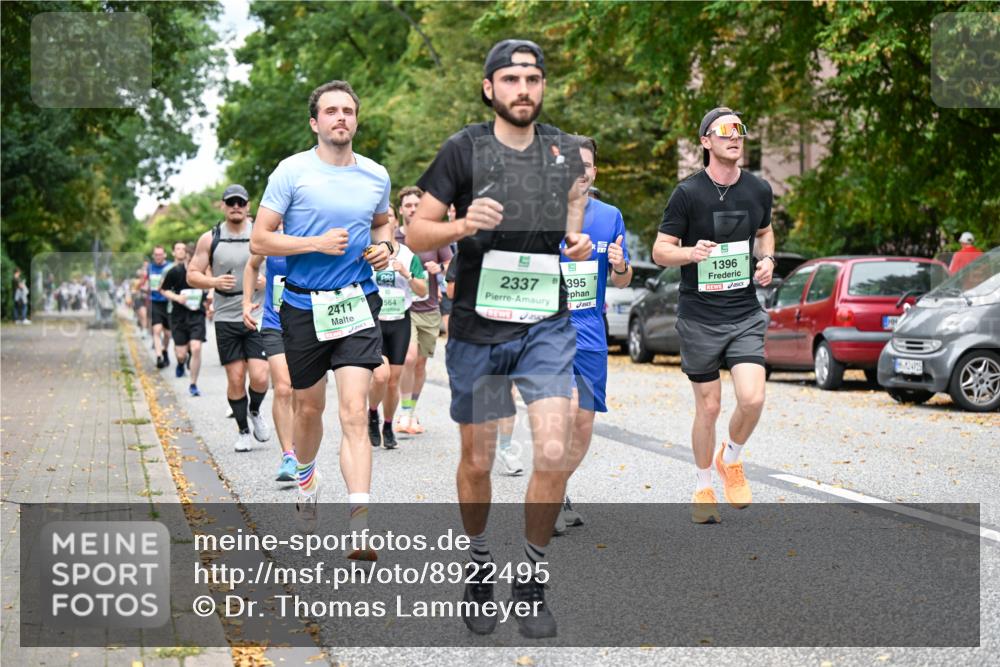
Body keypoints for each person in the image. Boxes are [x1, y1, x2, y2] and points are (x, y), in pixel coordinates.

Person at [406, 39, 590, 639]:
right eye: (510, 79)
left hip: (545, 325)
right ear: (490, 88)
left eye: (533, 79)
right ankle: (480, 564)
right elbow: (414, 232)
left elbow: (570, 225)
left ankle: (532, 581)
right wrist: (462, 224)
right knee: (478, 459)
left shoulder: (564, 151)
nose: (523, 90)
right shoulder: (464, 149)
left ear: (543, 87)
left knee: (555, 451)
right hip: (480, 332)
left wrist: (578, 242)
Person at [249, 80, 393, 554]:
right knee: (309, 408)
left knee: (354, 410)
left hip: (356, 301)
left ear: (356, 119)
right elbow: (260, 240)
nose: (340, 118)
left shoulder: (375, 175)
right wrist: (313, 243)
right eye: (330, 111)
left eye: (348, 111)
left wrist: (386, 247)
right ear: (315, 122)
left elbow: (383, 220)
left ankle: (361, 525)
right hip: (303, 305)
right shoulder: (291, 172)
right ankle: (307, 480)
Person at [651, 107, 775, 524]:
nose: (734, 136)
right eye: (724, 131)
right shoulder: (687, 193)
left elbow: (763, 232)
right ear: (706, 141)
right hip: (700, 315)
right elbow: (660, 250)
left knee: (753, 397)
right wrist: (690, 253)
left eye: (740, 129)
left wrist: (768, 259)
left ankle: (731, 458)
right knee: (708, 408)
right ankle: (704, 485)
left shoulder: (758, 189)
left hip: (743, 311)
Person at [555, 135, 633, 533]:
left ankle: (556, 488)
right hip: (549, 329)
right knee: (564, 411)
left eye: (585, 165)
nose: (579, 171)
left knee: (583, 423)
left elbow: (623, 281)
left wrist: (619, 265)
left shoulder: (610, 216)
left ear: (594, 171)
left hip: (591, 331)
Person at [188, 184, 273, 453]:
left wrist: (266, 282)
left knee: (260, 376)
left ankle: (255, 410)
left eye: (241, 202)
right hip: (226, 316)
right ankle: (243, 431)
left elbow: (284, 270)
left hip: (257, 314)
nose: (236, 207)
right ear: (223, 206)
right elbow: (192, 274)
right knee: (236, 378)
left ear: (248, 206)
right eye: (231, 202)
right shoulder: (210, 238)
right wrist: (213, 281)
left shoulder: (262, 235)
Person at [368, 203, 428, 449]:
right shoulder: (368, 252)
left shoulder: (408, 255)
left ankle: (387, 424)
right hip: (375, 321)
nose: (386, 220)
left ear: (393, 222)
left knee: (393, 380)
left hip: (400, 321)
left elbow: (423, 290)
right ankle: (372, 414)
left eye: (390, 216)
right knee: (380, 376)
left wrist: (406, 273)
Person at [243, 229, 299, 484]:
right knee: (284, 388)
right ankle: (288, 455)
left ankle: (301, 448)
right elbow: (251, 265)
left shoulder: (313, 233)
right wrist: (247, 302)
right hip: (274, 323)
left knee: (304, 393)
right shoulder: (271, 238)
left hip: (307, 323)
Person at [397, 186, 453, 436]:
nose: (412, 209)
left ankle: (411, 409)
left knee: (420, 364)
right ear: (401, 209)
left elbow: (450, 265)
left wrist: (438, 269)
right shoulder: (393, 238)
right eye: (408, 205)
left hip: (429, 307)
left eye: (416, 205)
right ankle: (403, 411)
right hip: (402, 308)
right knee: (408, 359)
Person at [159, 242, 208, 396]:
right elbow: (163, 289)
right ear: (186, 257)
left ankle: (193, 384)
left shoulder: (204, 272)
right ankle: (181, 363)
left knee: (196, 348)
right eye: (191, 257)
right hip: (178, 316)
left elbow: (211, 287)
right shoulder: (175, 271)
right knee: (181, 353)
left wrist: (210, 296)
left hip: (197, 315)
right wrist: (176, 297)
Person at [147, 246, 172, 368]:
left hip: (168, 302)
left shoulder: (170, 267)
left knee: (167, 334)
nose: (158, 257)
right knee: (156, 330)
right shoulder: (149, 267)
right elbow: (147, 283)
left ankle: (164, 351)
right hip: (155, 302)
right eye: (156, 255)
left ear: (165, 255)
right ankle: (158, 357)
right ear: (153, 256)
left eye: (160, 254)